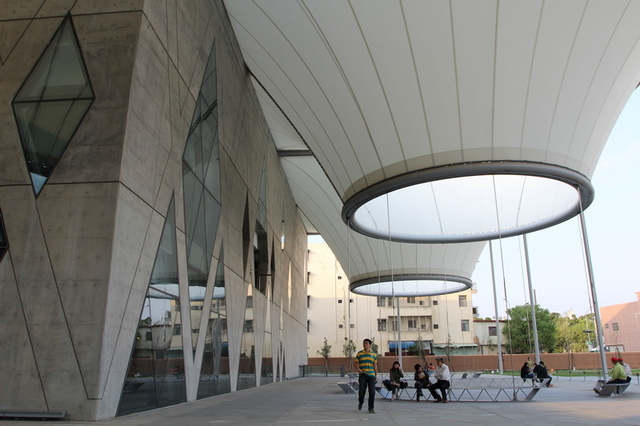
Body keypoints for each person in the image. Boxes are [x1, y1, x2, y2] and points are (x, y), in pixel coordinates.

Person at [354, 338, 378, 414]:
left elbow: (375, 364)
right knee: (362, 391)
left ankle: (371, 408)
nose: (365, 345)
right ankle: (361, 402)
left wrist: (376, 374)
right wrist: (358, 370)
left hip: (371, 375)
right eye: (364, 343)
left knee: (372, 391)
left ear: (370, 345)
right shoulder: (359, 353)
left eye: (366, 343)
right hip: (363, 374)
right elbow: (355, 362)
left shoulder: (373, 354)